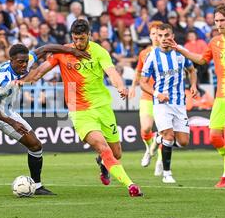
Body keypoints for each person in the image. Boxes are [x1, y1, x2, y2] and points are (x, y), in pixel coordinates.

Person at [0, 43, 90, 195]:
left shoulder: (23, 61)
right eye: (20, 62)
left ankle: (37, 186)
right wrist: (13, 123)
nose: (24, 65)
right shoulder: (1, 79)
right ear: (11, 60)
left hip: (6, 112)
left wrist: (71, 50)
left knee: (35, 145)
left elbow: (45, 48)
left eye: (26, 61)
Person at [24, 19, 143, 197]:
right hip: (79, 110)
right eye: (75, 39)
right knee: (103, 148)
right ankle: (131, 185)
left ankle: (103, 164)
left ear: (89, 35)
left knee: (116, 153)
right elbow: (40, 72)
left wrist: (120, 87)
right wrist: (19, 81)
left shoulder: (99, 51)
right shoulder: (62, 53)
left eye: (82, 39)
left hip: (102, 107)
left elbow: (111, 72)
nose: (78, 43)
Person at [166, 5, 225, 187]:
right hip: (221, 95)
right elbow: (202, 60)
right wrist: (179, 49)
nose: (218, 24)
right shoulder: (214, 42)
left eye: (222, 20)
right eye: (216, 20)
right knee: (214, 137)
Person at [140, 23, 198, 184]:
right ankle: (167, 173)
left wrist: (193, 85)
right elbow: (143, 82)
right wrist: (158, 94)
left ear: (172, 36)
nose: (164, 39)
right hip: (161, 104)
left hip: (179, 103)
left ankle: (158, 140)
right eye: (160, 36)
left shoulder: (180, 53)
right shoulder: (152, 56)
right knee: (169, 136)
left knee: (183, 142)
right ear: (156, 38)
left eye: (167, 35)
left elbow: (192, 70)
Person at [129, 21, 163, 172]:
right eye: (154, 34)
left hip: (163, 97)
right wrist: (132, 87)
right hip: (147, 96)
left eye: (159, 34)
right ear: (150, 36)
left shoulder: (169, 52)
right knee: (146, 129)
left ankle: (161, 161)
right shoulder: (144, 53)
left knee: (164, 132)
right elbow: (138, 71)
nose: (156, 37)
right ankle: (150, 151)